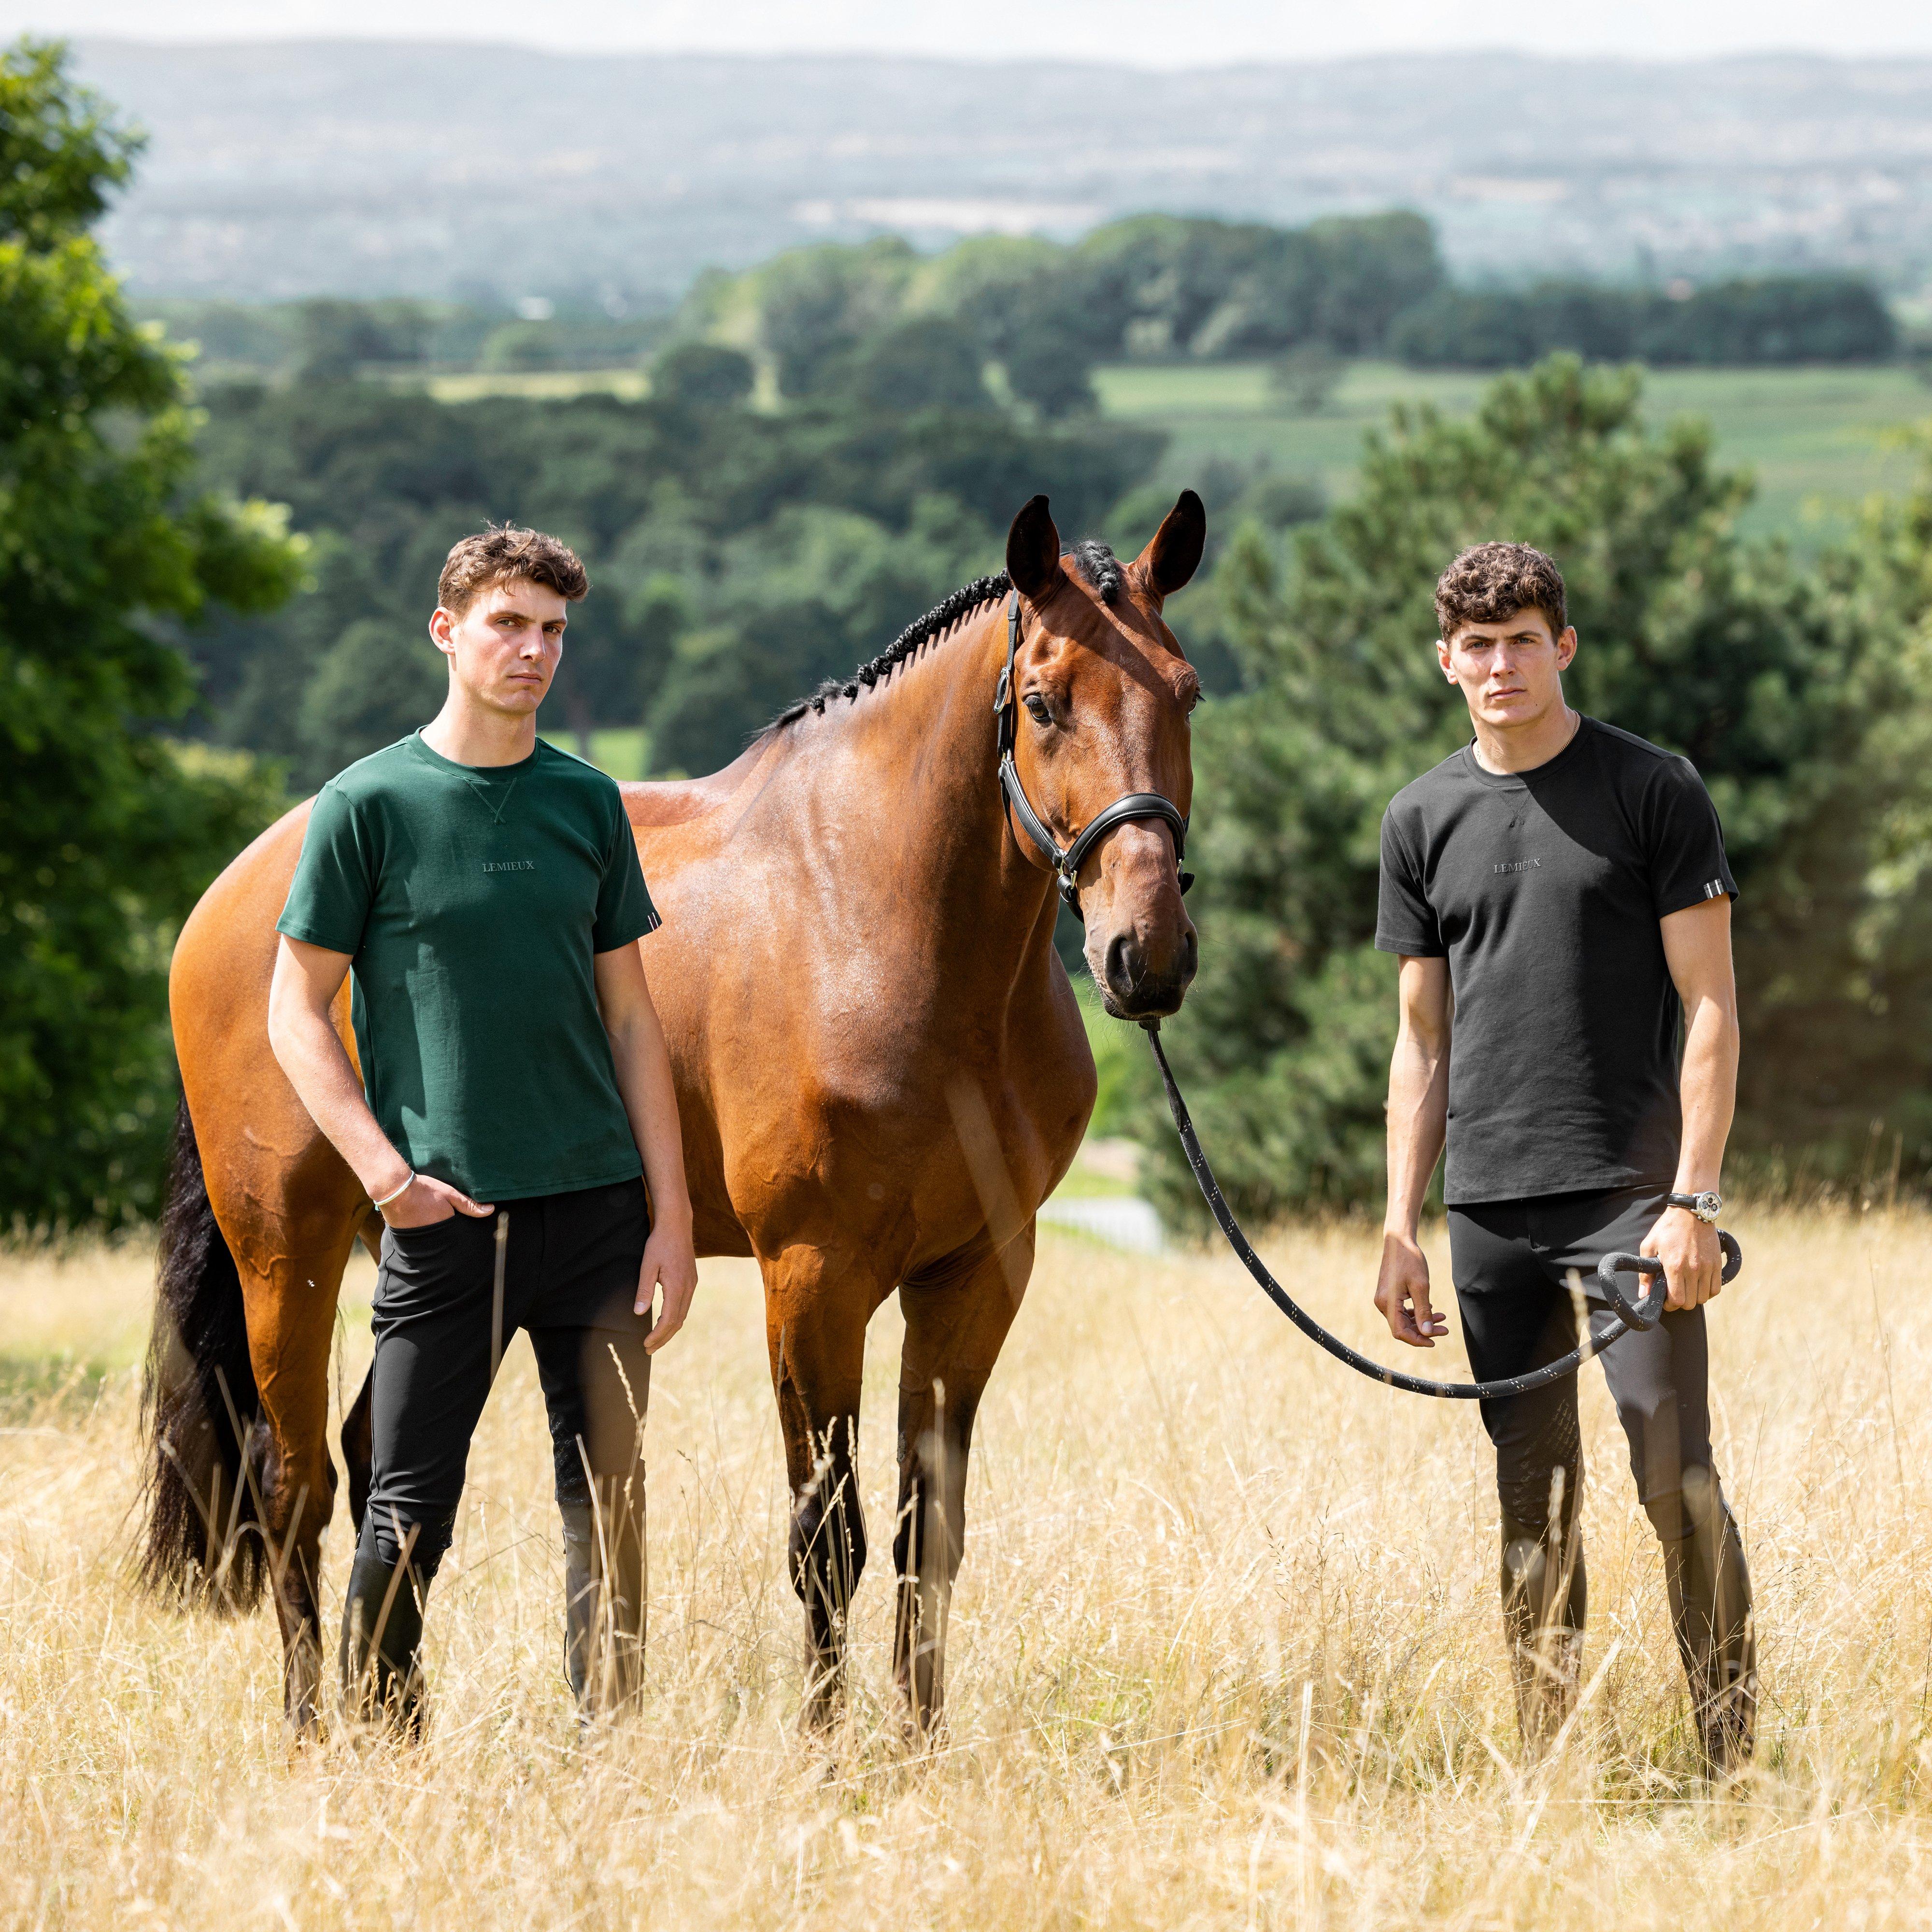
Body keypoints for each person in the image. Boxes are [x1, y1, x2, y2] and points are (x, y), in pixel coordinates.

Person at [267, 525, 698, 1729]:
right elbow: (294, 1010)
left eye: (553, 630)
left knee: (608, 1509)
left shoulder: (585, 801)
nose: (534, 650)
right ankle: (382, 1749)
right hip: (445, 1217)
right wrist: (385, 1176)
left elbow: (632, 1020)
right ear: (446, 630)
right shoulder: (367, 804)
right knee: (407, 1511)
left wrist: (670, 1216)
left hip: (599, 1214)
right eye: (509, 623)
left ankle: (611, 1754)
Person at [1371, 541, 1754, 1775]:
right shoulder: (1418, 818)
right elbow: (1420, 1040)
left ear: (1562, 648)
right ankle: (1549, 1777)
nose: (1501, 666)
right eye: (1477, 647)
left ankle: (1731, 1766)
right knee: (1529, 1505)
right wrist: (1399, 1224)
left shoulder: (1652, 788)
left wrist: (1691, 1199)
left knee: (1672, 1478)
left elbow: (1710, 1007)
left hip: (1631, 1205)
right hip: (1487, 1211)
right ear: (1445, 661)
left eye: (1522, 641)